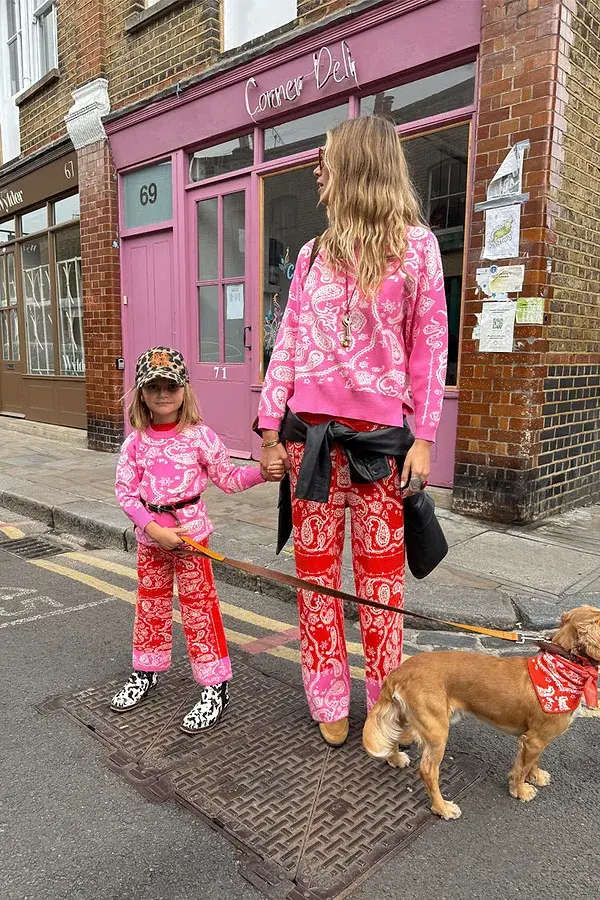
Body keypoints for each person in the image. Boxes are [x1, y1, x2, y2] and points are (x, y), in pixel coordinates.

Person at [257, 116, 448, 747]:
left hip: (379, 447)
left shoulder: (418, 247)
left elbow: (430, 345)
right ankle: (326, 693)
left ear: (359, 168)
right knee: (317, 582)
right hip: (308, 442)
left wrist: (425, 435)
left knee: (380, 586)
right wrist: (267, 425)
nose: (317, 170)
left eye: (327, 159)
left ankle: (385, 705)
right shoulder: (310, 255)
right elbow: (286, 344)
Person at [112, 346, 275, 732]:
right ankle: (145, 673)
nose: (163, 393)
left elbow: (230, 479)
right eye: (154, 386)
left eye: (171, 385)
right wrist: (153, 530)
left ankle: (215, 686)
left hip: (192, 542)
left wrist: (263, 474)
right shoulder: (135, 442)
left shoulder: (201, 436)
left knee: (200, 613)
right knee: (149, 608)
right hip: (152, 543)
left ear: (185, 389)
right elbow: (125, 492)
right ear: (141, 393)